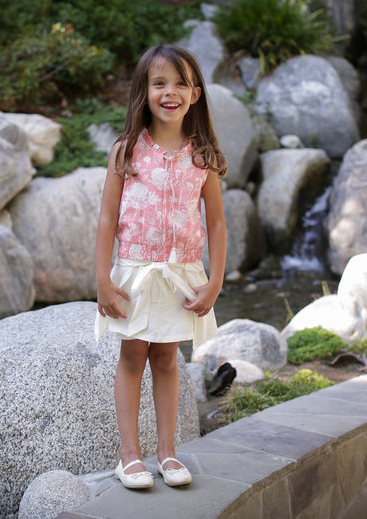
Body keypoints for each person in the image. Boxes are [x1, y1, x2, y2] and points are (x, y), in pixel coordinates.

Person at [95, 44, 227, 489]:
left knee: (168, 358)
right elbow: (107, 218)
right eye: (159, 83)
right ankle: (129, 456)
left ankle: (167, 453)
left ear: (195, 94)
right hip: (135, 270)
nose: (170, 92)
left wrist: (215, 281)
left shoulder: (202, 155)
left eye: (181, 83)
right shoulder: (127, 150)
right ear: (144, 91)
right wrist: (102, 280)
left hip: (181, 273)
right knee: (133, 355)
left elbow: (217, 222)